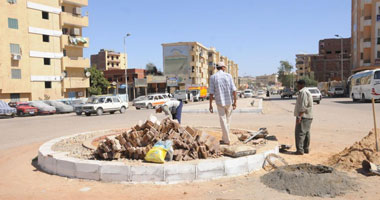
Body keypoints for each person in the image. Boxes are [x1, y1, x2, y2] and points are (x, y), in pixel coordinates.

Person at [209, 62, 237, 145]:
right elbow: (234, 90)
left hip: (219, 101)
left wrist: (210, 105)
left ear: (217, 68)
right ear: (223, 67)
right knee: (228, 120)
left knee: (223, 120)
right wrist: (235, 102)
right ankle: (226, 138)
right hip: (229, 101)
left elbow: (211, 93)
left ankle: (226, 139)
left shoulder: (213, 77)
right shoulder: (228, 76)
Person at [294, 80, 313, 155]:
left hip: (304, 116)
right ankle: (306, 149)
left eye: (297, 85)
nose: (297, 87)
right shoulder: (306, 91)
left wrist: (299, 116)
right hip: (308, 116)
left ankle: (300, 150)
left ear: (301, 85)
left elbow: (303, 106)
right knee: (306, 133)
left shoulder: (303, 92)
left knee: (300, 133)